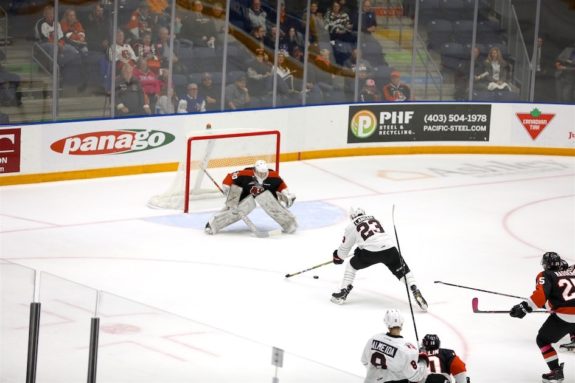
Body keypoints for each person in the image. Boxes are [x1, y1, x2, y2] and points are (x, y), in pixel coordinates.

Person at [330, 207, 428, 311]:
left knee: (351, 265)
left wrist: (337, 257)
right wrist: (360, 248)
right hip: (390, 249)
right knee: (403, 271)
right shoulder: (374, 219)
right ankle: (414, 288)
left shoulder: (351, 225)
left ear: (352, 216)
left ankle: (343, 292)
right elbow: (376, 238)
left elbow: (343, 252)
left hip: (370, 253)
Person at [509, 251, 575, 383]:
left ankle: (556, 371)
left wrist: (523, 307)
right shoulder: (571, 273)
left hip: (566, 316)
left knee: (542, 340)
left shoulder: (545, 275)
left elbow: (540, 297)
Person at [205, 160, 297, 235]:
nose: (262, 175)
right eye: (260, 173)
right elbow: (230, 176)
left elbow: (282, 185)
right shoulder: (245, 173)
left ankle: (289, 223)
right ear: (254, 170)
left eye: (264, 173)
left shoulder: (274, 176)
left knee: (273, 206)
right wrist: (226, 186)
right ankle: (212, 225)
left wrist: (286, 193)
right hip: (243, 194)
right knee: (232, 210)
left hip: (266, 194)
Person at [361, 309, 429, 383]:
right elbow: (416, 377)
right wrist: (423, 361)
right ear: (402, 323)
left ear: (386, 323)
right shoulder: (407, 350)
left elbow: (364, 361)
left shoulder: (373, 339)